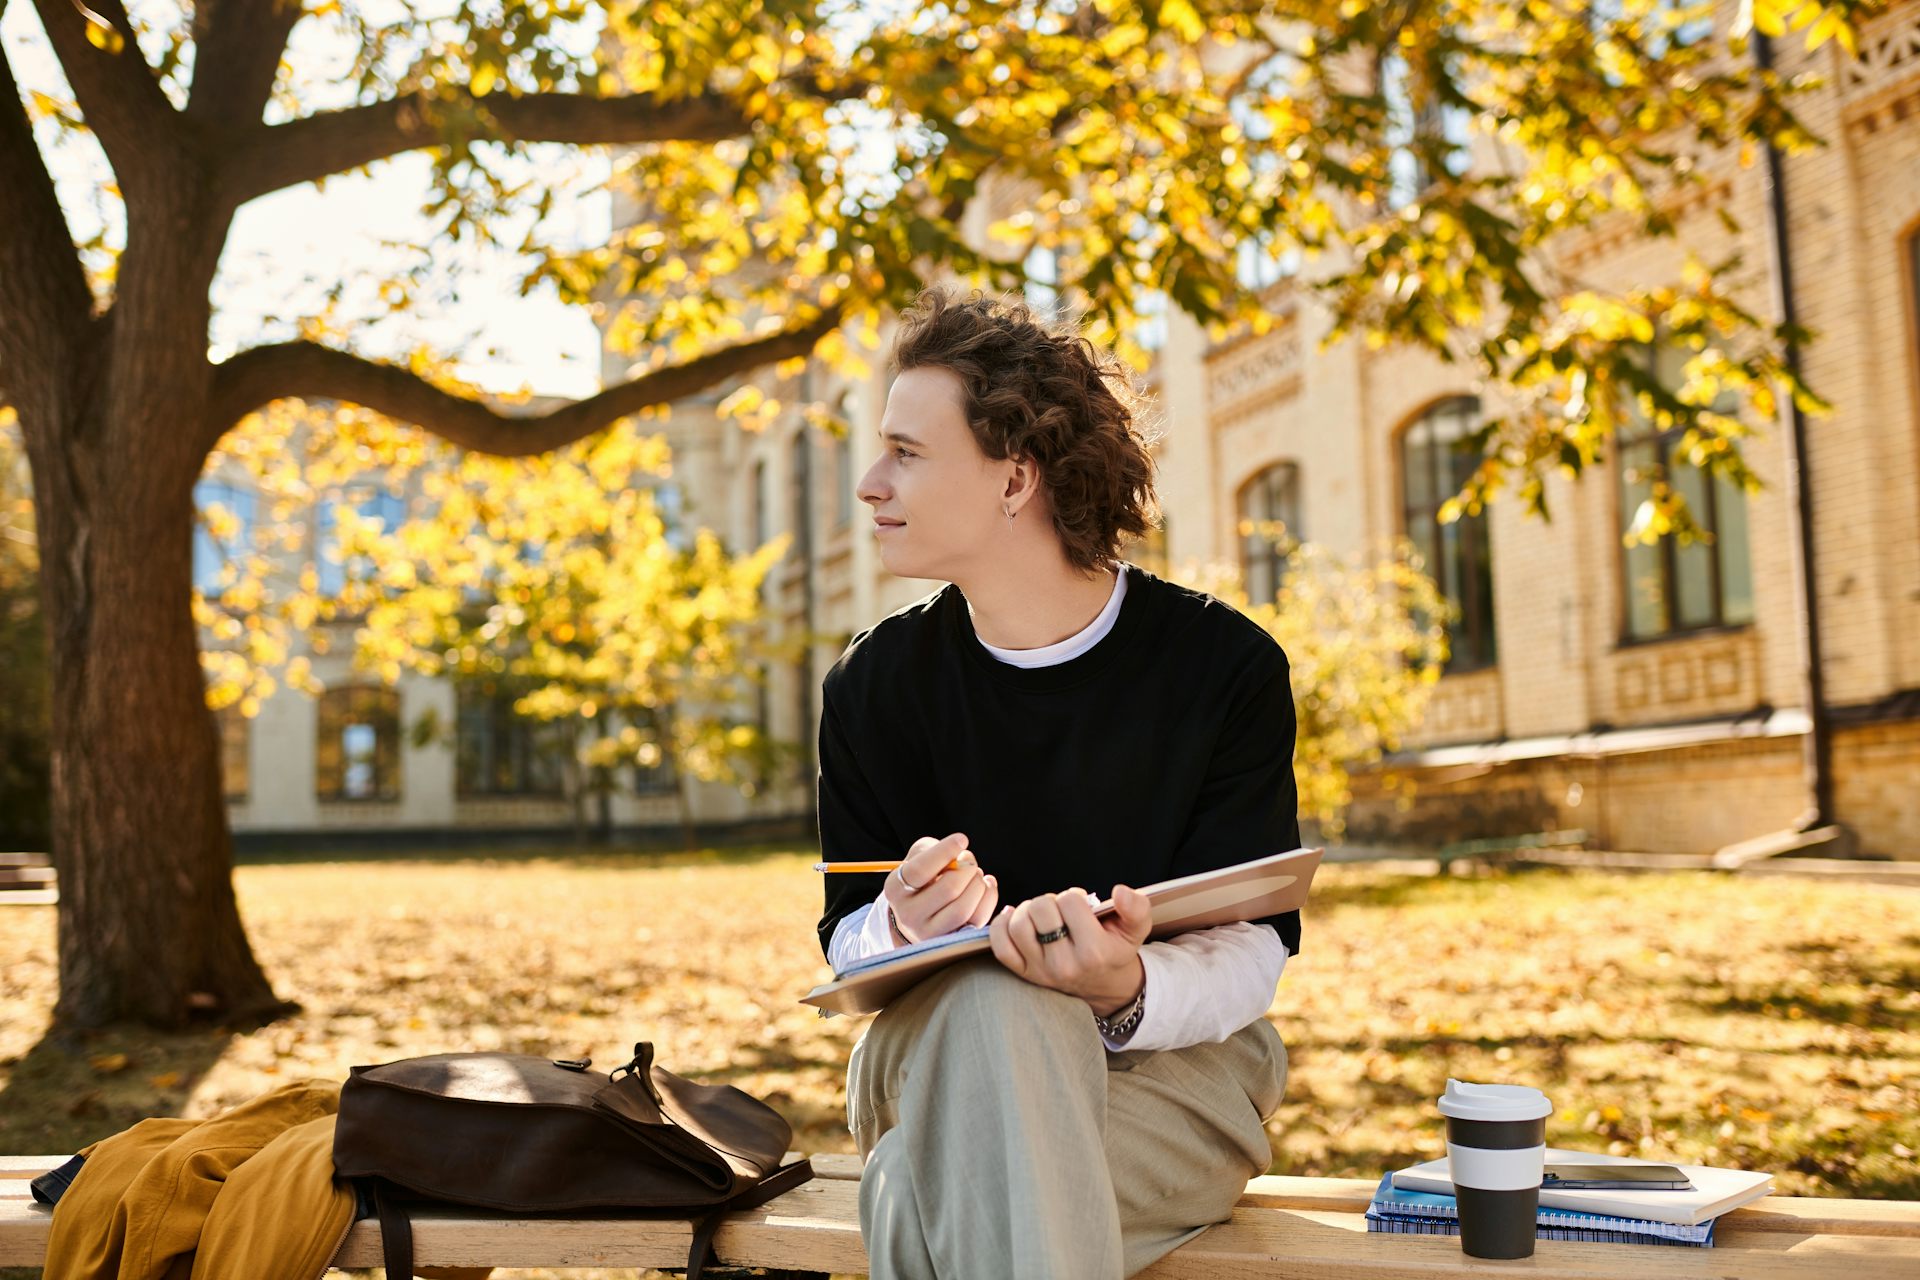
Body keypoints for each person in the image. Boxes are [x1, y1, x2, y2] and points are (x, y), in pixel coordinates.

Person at [815, 285, 1301, 1279]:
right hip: (925, 1062)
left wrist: (1127, 987)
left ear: (1014, 478)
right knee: (1001, 1003)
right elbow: (843, 941)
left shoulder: (1222, 666)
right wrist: (899, 924)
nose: (870, 483)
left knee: (917, 1183)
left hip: (1178, 1075)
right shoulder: (872, 685)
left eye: (905, 452)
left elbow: (1253, 942)